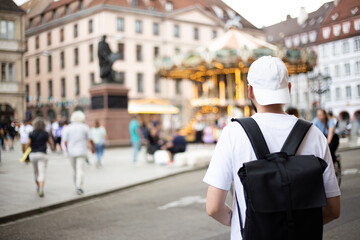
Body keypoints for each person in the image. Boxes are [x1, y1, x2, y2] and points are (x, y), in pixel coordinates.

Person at [203, 56, 340, 240]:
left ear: (250, 91)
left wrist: (245, 223)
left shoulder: (233, 133)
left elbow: (213, 207)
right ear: (289, 89)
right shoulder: (314, 134)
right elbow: (333, 209)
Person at [63, 111, 95, 195]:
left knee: (74, 170)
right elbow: (90, 139)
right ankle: (79, 186)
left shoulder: (68, 128)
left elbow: (65, 141)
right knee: (80, 169)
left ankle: (76, 185)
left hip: (71, 152)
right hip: (81, 151)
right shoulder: (85, 127)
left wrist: (67, 150)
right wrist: (93, 148)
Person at [26, 117, 54, 197]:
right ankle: (41, 189)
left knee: (36, 172)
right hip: (42, 154)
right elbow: (50, 142)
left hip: (33, 154)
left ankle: (37, 186)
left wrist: (25, 151)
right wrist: (52, 148)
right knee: (42, 172)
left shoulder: (31, 133)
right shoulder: (45, 133)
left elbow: (28, 143)